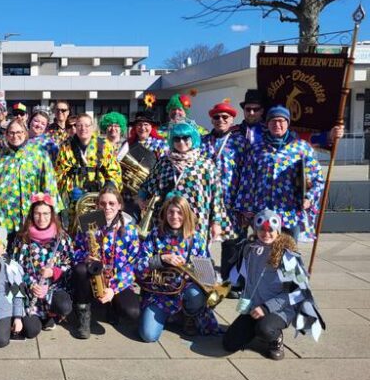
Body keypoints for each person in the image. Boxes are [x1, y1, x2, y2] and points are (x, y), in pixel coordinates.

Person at [224, 209, 325, 360]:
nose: (266, 233)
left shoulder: (287, 256)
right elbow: (244, 279)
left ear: (278, 231)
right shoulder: (249, 250)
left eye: (271, 230)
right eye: (262, 229)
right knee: (229, 343)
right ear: (256, 229)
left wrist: (266, 308)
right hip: (254, 308)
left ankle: (275, 339)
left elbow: (296, 293)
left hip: (279, 310)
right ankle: (256, 329)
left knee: (265, 329)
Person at [134, 195, 220, 342]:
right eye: (171, 212)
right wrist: (161, 259)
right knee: (148, 336)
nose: (174, 217)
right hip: (158, 294)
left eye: (179, 213)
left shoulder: (196, 238)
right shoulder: (155, 234)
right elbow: (138, 266)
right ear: (165, 214)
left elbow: (207, 276)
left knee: (196, 295)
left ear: (186, 215)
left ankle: (188, 316)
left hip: (184, 291)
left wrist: (191, 272)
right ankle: (170, 315)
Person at [235, 106, 324, 242]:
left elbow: (318, 179)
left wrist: (309, 198)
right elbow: (247, 180)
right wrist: (245, 207)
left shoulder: (301, 148)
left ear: (287, 123)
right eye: (273, 121)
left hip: (290, 212)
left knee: (288, 254)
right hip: (263, 212)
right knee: (263, 254)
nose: (277, 124)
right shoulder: (257, 149)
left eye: (281, 121)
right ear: (267, 124)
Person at [71, 184, 141, 339]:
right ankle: (84, 314)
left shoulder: (130, 229)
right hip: (93, 274)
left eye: (112, 204)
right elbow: (75, 250)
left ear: (120, 206)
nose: (107, 207)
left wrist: (113, 289)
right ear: (97, 205)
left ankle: (113, 306)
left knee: (133, 313)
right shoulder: (89, 222)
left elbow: (132, 265)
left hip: (116, 278)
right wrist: (85, 257)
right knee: (80, 270)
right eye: (102, 204)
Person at [139, 122, 226, 241]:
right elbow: (148, 184)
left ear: (193, 138)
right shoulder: (164, 162)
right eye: (177, 139)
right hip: (167, 219)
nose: (181, 142)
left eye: (186, 138)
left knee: (194, 255)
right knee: (167, 255)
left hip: (196, 220)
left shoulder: (206, 164)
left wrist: (216, 222)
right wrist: (141, 199)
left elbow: (217, 195)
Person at [0, 119, 62, 246]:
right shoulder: (0, 158)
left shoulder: (39, 154)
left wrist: (51, 209)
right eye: (11, 133)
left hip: (31, 216)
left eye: (19, 132)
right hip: (6, 217)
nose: (15, 136)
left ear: (26, 133)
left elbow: (49, 184)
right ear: (6, 135)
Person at [201, 101, 248, 295]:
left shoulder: (240, 142)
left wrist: (244, 204)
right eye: (217, 117)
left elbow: (247, 174)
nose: (220, 120)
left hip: (231, 202)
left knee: (232, 244)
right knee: (202, 242)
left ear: (232, 119)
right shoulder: (202, 141)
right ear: (211, 119)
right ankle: (203, 281)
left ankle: (229, 283)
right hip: (205, 202)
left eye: (225, 117)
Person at [13, 193, 73, 334]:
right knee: (31, 331)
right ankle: (40, 317)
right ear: (32, 215)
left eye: (46, 214)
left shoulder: (62, 237)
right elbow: (15, 267)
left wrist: (54, 272)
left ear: (52, 214)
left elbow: (70, 263)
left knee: (64, 306)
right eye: (37, 214)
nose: (41, 218)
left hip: (53, 288)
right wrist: (30, 284)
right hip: (30, 291)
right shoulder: (22, 238)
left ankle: (51, 314)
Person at [56, 113, 123, 207]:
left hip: (100, 200)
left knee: (97, 222)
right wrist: (69, 190)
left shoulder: (105, 145)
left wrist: (109, 188)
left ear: (92, 127)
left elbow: (115, 172)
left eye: (87, 125)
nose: (83, 128)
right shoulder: (65, 147)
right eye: (79, 125)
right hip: (74, 201)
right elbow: (59, 173)